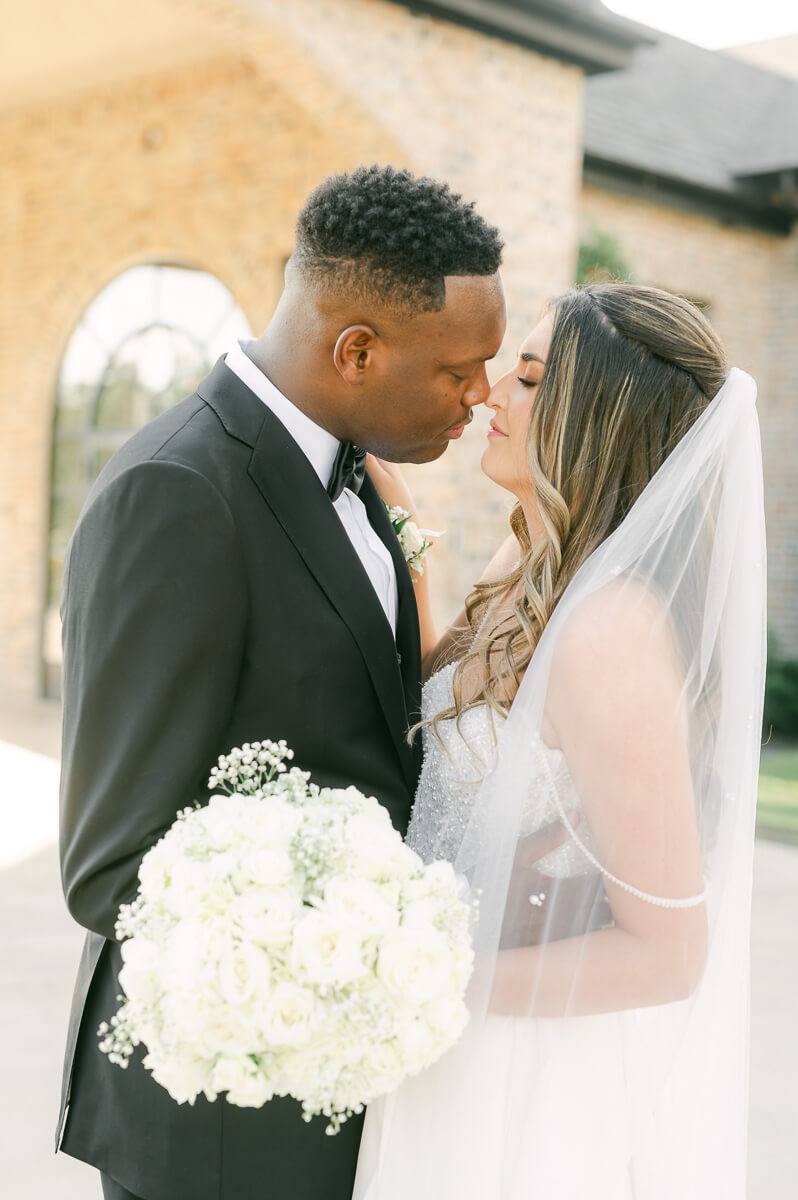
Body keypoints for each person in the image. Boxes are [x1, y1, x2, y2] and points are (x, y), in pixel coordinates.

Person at [56, 164, 507, 1200]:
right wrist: (356, 949)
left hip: (338, 1107)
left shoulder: (356, 477)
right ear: (356, 350)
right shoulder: (177, 494)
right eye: (459, 369)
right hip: (217, 1137)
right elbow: (113, 865)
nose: (479, 396)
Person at [357, 283, 766, 1200]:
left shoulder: (612, 632)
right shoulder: (532, 562)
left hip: (525, 1078)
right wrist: (398, 529)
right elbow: (452, 696)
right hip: (445, 1045)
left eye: (531, 376)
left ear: (597, 415)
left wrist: (428, 984)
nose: (491, 392)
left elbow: (668, 953)